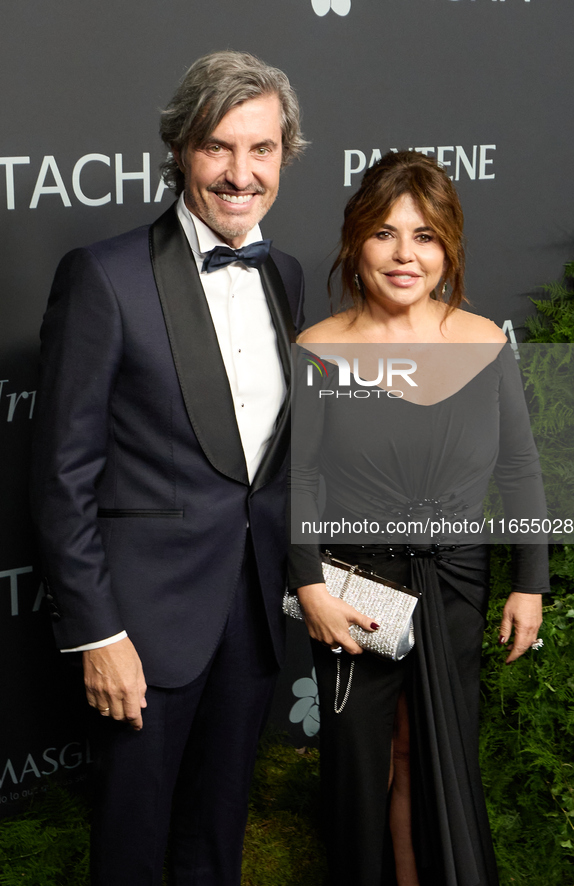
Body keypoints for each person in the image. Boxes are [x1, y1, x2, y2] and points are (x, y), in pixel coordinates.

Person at [30, 50, 306, 886]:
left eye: (260, 150)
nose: (239, 173)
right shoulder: (104, 277)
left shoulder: (285, 277)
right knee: (133, 841)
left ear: (284, 156)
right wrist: (99, 633)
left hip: (252, 616)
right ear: (181, 150)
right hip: (143, 629)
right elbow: (61, 477)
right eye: (218, 147)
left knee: (216, 833)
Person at [289, 150, 548, 886]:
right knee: (361, 765)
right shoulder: (321, 349)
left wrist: (528, 583)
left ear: (449, 249)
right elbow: (300, 479)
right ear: (354, 243)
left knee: (430, 753)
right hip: (353, 591)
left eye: (426, 235)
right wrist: (309, 588)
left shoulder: (483, 343)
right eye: (384, 233)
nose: (405, 255)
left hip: (457, 584)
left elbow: (519, 470)